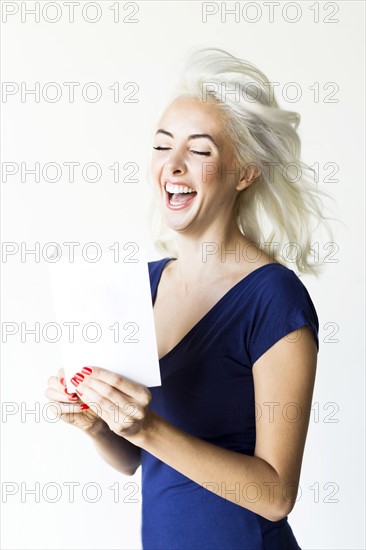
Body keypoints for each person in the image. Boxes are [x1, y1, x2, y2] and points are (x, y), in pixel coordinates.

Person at [45, 47, 336, 549]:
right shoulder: (144, 284)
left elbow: (276, 495)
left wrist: (147, 429)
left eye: (200, 151)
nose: (173, 165)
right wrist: (98, 425)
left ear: (244, 172)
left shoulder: (273, 298)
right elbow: (137, 459)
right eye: (162, 146)